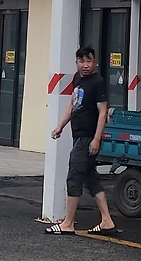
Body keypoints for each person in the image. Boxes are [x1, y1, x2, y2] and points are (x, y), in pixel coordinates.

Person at [46, 46, 117, 236]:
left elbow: (103, 112)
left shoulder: (98, 82)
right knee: (90, 177)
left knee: (74, 176)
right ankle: (107, 221)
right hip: (78, 136)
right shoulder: (77, 79)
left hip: (87, 138)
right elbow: (72, 104)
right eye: (81, 61)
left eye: (89, 61)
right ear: (77, 62)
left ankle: (68, 223)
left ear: (95, 62)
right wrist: (60, 126)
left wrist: (96, 139)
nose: (85, 65)